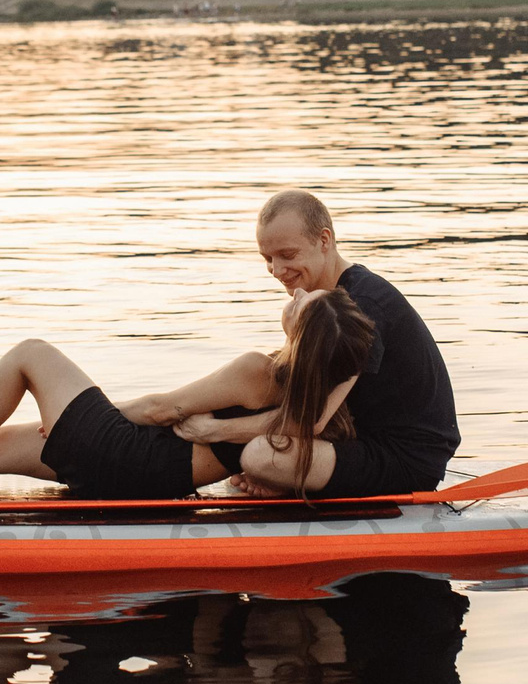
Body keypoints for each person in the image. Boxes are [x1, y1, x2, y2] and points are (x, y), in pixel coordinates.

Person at [0, 283, 377, 499]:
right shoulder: (310, 397)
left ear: (302, 336)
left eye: (303, 303)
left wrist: (85, 416)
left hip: (130, 453)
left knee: (31, 355)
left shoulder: (259, 370)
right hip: (150, 474)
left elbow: (160, 408)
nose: (292, 297)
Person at [124, 189, 459, 497]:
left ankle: (278, 482)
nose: (277, 270)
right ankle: (130, 425)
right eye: (268, 258)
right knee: (260, 379)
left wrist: (214, 431)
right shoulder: (324, 301)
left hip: (403, 461)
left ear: (324, 240)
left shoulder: (356, 309)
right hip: (359, 437)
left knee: (261, 454)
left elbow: (309, 421)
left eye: (287, 254)